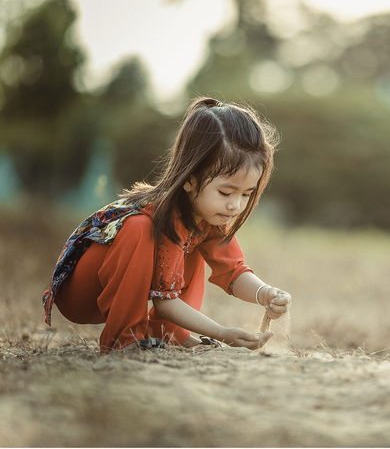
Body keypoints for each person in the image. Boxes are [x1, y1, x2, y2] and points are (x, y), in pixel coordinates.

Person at [42, 97, 291, 353]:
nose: (235, 206)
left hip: (123, 294)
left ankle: (168, 333)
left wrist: (265, 293)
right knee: (140, 228)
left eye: (246, 194)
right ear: (190, 180)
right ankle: (123, 339)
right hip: (82, 294)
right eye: (226, 193)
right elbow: (166, 304)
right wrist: (223, 333)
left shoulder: (210, 218)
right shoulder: (162, 216)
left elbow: (234, 272)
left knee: (191, 245)